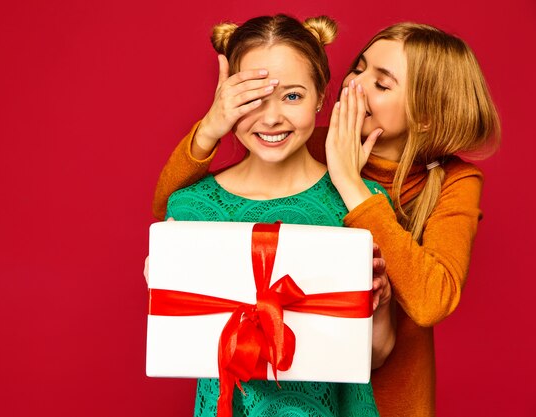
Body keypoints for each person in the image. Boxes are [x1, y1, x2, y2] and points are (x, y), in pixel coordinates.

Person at [152, 21, 501, 417]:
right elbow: (176, 205)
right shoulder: (302, 139)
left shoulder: (453, 180)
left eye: (382, 84)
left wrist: (351, 183)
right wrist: (210, 130)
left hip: (383, 392)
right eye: (358, 68)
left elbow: (430, 301)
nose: (356, 86)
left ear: (425, 114)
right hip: (264, 382)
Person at [158, 14, 396, 417]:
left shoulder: (362, 202)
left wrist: (380, 302)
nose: (271, 118)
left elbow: (375, 356)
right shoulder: (190, 210)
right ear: (226, 100)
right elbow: (182, 347)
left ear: (321, 96)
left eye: (292, 96)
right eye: (253, 98)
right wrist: (164, 289)